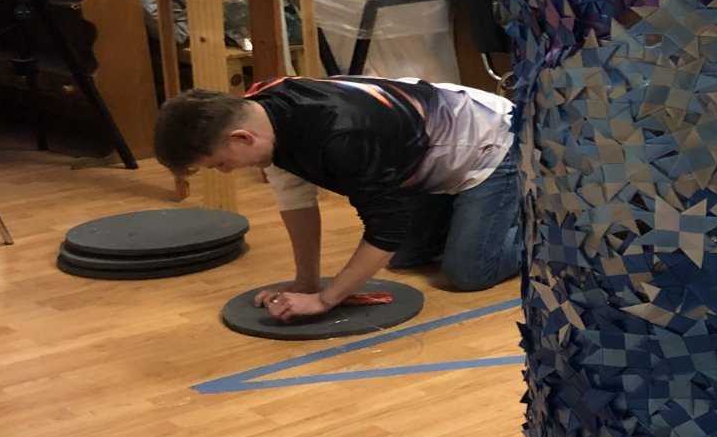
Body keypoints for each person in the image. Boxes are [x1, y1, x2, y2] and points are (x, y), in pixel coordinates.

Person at [153, 76, 519, 320]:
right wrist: (306, 282)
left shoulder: (342, 139)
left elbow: (387, 227)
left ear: (241, 138)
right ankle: (471, 212)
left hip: (492, 144)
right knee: (406, 258)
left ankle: (541, 225)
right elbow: (296, 204)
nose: (224, 172)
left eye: (219, 163)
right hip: (423, 155)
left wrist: (325, 299)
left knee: (467, 273)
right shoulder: (261, 117)